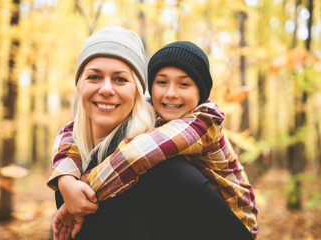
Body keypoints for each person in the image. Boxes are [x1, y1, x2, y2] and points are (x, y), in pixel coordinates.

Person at [48, 27, 256, 240]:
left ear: (137, 89)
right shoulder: (159, 116)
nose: (171, 93)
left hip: (239, 216)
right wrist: (65, 180)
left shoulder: (191, 137)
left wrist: (80, 192)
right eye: (94, 76)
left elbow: (134, 156)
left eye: (120, 79)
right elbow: (68, 130)